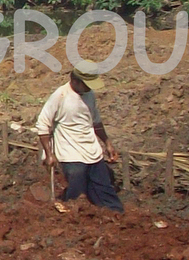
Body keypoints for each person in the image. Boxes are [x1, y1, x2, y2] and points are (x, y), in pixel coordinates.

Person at [35, 62, 123, 212]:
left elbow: (96, 122)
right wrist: (49, 154)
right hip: (69, 151)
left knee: (104, 186)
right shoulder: (60, 95)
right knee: (77, 188)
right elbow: (43, 124)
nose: (89, 88)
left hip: (91, 149)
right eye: (86, 84)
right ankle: (72, 215)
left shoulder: (90, 95)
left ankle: (115, 214)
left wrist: (107, 143)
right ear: (75, 80)